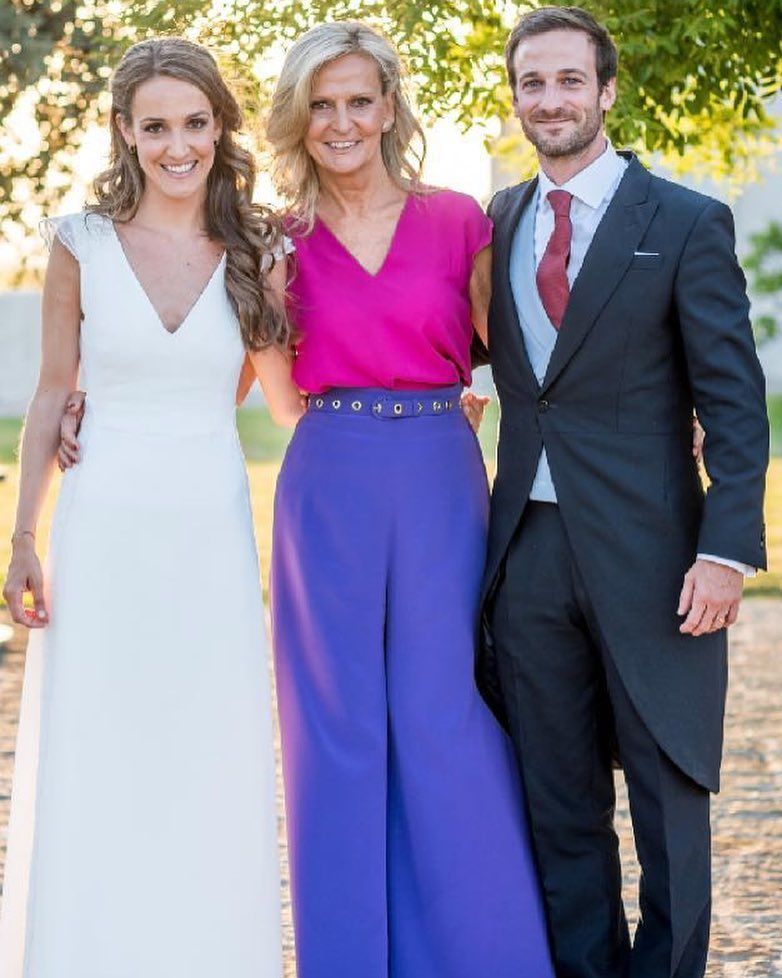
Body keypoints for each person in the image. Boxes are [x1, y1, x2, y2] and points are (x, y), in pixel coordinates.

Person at [0, 37, 303, 978]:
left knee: (208, 754)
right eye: (157, 126)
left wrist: (442, 398)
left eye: (197, 123)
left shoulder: (259, 249)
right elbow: (55, 392)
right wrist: (23, 539)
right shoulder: (77, 242)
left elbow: (285, 407)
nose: (180, 145)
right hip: (103, 528)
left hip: (208, 533)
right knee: (102, 751)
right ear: (125, 135)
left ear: (220, 126)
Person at [477, 7, 769, 978]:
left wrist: (723, 549)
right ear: (514, 97)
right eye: (531, 83)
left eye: (567, 80)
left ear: (604, 91)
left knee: (668, 803)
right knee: (555, 805)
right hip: (525, 554)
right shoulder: (497, 225)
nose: (548, 99)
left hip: (655, 559)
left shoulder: (683, 221)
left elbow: (732, 400)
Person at [264, 21, 554, 978]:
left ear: (390, 107)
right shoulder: (278, 240)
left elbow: (515, 354)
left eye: (359, 100)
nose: (341, 121)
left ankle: (488, 954)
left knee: (441, 709)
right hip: (329, 467)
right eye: (322, 105)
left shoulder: (460, 218)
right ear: (299, 120)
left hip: (437, 464)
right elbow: (269, 394)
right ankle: (349, 960)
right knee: (336, 723)